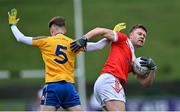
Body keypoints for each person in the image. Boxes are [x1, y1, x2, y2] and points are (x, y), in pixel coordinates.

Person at [8, 8, 123, 111]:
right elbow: (99, 45)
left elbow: (20, 38)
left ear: (52, 31)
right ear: (64, 30)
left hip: (53, 86)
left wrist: (12, 25)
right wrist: (112, 34)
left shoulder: (45, 40)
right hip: (68, 87)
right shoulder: (73, 44)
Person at [70, 24, 157, 111]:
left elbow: (145, 83)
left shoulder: (134, 61)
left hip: (107, 84)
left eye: (144, 36)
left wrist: (153, 69)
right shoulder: (123, 39)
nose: (142, 37)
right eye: (139, 34)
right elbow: (100, 30)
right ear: (131, 35)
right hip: (110, 81)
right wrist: (84, 38)